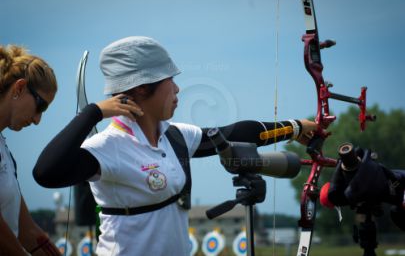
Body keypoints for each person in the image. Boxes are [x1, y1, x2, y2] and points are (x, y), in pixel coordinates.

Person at [33, 36, 318, 255]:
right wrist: (93, 112)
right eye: (170, 80)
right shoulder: (109, 146)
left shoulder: (176, 136)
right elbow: (46, 172)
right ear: (143, 87)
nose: (177, 88)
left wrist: (293, 128)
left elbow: (236, 132)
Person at [0, 45, 60, 255]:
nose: (37, 120)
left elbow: (28, 231)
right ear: (19, 88)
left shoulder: (4, 148)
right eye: (40, 106)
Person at [321, 144, 405, 231]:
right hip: (399, 187)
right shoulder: (357, 186)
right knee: (396, 212)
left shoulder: (353, 193)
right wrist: (341, 163)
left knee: (396, 212)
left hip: (400, 189)